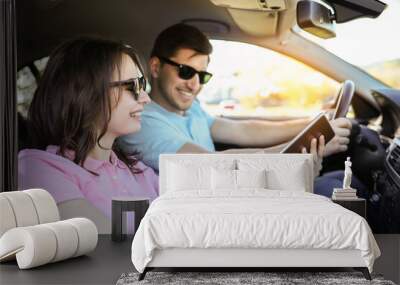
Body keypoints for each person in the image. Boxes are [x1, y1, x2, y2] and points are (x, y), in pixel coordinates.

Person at [117, 23, 364, 197]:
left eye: (202, 76)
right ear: (156, 67)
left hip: (232, 193)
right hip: (210, 208)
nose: (193, 84)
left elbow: (245, 130)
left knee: (343, 185)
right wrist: (309, 145)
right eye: (185, 71)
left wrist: (313, 123)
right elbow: (211, 163)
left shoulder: (192, 109)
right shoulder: (143, 122)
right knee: (339, 191)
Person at [18, 37, 158, 231]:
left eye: (143, 85)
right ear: (86, 92)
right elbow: (105, 250)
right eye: (132, 86)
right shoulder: (41, 168)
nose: (145, 98)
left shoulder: (140, 170)